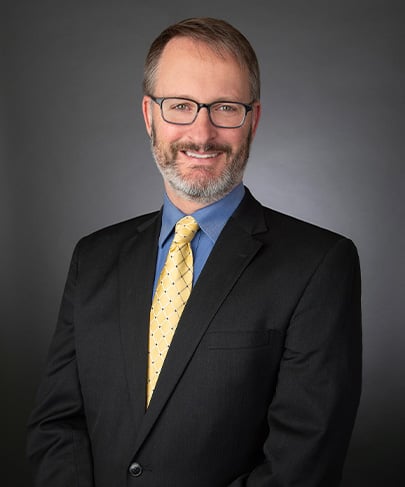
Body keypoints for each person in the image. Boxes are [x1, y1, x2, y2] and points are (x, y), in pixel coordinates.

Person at [26, 17, 362, 487]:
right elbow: (57, 427)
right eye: (180, 106)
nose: (202, 133)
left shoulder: (320, 265)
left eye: (225, 107)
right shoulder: (93, 258)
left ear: (253, 120)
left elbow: (301, 467)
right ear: (149, 115)